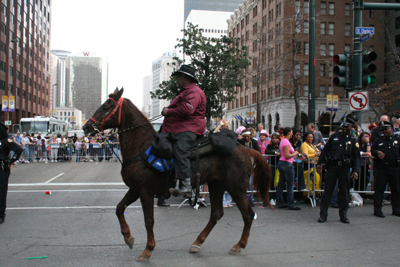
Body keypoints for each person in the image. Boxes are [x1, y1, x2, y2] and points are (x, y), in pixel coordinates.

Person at [161, 65, 206, 196]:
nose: (177, 80)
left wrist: (168, 111)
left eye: (178, 77)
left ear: (185, 78)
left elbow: (188, 110)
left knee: (180, 149)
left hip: (189, 128)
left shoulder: (194, 92)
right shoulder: (186, 91)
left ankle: (186, 184)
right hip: (180, 128)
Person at [316, 117, 360, 223]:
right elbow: (325, 150)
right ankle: (323, 215)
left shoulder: (353, 140)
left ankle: (343, 215)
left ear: (351, 127)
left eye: (347, 126)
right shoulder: (335, 137)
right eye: (343, 126)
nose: (344, 128)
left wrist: (356, 170)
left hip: (344, 168)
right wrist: (319, 162)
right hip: (332, 167)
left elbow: (357, 157)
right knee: (328, 191)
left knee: (344, 192)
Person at [371, 121, 400, 218]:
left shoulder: (397, 139)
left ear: (391, 129)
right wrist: (377, 152)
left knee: (396, 189)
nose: (384, 131)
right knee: (379, 190)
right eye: (382, 129)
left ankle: (396, 209)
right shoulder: (379, 140)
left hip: (395, 167)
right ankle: (377, 210)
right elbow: (373, 150)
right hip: (382, 167)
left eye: (386, 129)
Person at [0, 122, 23, 224]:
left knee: (1, 192)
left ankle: (1, 214)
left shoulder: (6, 141)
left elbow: (18, 149)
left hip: (2, 168)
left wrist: (12, 161)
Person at [276, 127, 301, 210]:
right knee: (290, 185)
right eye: (292, 132)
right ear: (289, 133)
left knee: (281, 184)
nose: (292, 134)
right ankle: (291, 204)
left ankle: (280, 202)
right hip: (287, 164)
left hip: (282, 163)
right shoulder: (286, 142)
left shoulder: (283, 141)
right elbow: (287, 155)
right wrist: (295, 153)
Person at [300, 132, 322, 196]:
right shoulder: (304, 145)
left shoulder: (312, 145)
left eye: (311, 137)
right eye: (308, 137)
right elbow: (305, 155)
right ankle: (307, 194)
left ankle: (315, 194)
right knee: (308, 181)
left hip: (314, 165)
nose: (310, 138)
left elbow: (318, 151)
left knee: (316, 180)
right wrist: (315, 155)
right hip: (308, 166)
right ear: (305, 138)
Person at [265, 132, 281, 206]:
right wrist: (275, 153)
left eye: (276, 138)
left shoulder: (281, 146)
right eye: (273, 138)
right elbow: (267, 151)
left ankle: (278, 198)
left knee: (279, 182)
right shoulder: (270, 146)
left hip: (280, 165)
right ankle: (271, 198)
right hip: (272, 165)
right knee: (272, 182)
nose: (275, 140)